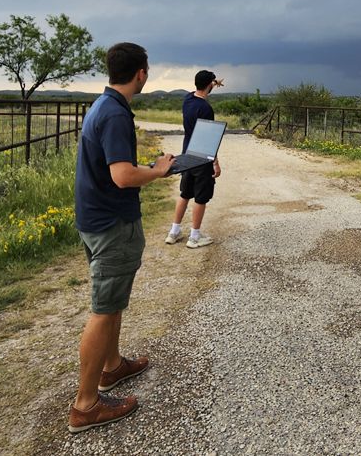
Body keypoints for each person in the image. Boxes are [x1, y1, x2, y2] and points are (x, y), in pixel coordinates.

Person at [69, 42, 176, 433]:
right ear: (141, 74)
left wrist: (156, 166)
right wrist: (160, 172)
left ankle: (112, 368)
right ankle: (85, 405)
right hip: (112, 224)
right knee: (103, 309)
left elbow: (118, 168)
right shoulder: (115, 115)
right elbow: (123, 176)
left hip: (95, 218)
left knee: (111, 303)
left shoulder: (101, 105)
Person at [166, 70, 223, 248]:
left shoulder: (187, 99)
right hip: (201, 158)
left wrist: (213, 83)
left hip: (186, 156)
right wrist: (215, 163)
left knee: (185, 193)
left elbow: (200, 90)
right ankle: (195, 237)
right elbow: (209, 140)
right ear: (209, 85)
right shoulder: (206, 109)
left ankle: (174, 232)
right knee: (201, 197)